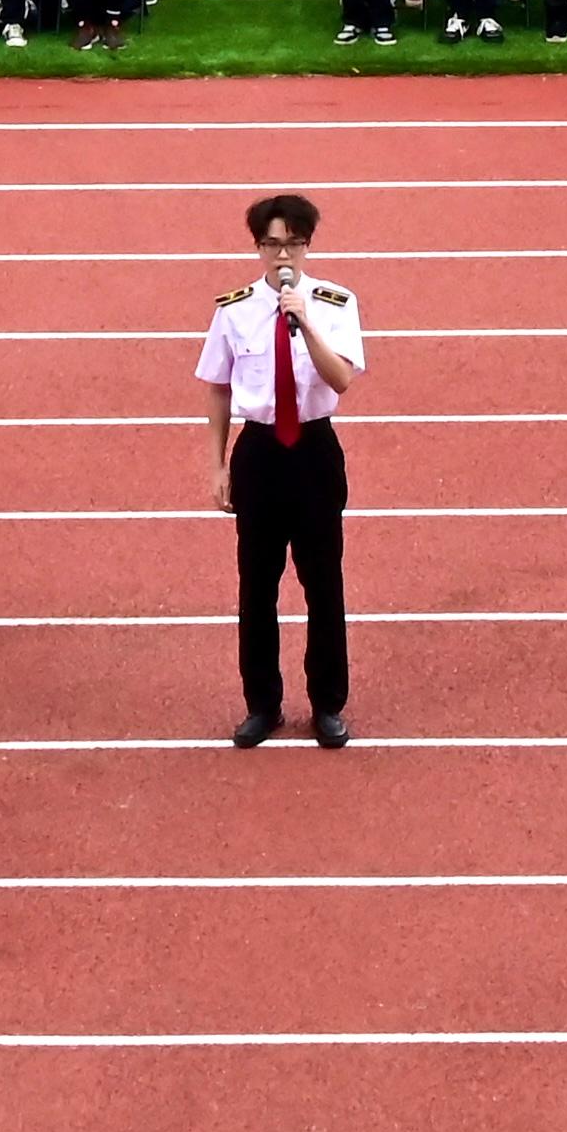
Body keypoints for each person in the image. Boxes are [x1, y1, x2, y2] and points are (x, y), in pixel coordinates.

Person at [199, 188, 366, 746]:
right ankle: (262, 705)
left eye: (293, 244)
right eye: (272, 246)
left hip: (315, 452)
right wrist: (218, 465)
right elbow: (219, 388)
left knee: (324, 585)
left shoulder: (336, 303)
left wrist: (305, 321)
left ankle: (327, 705)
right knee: (257, 589)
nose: (283, 257)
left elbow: (341, 378)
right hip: (260, 453)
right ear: (258, 248)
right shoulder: (233, 307)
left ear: (308, 244)